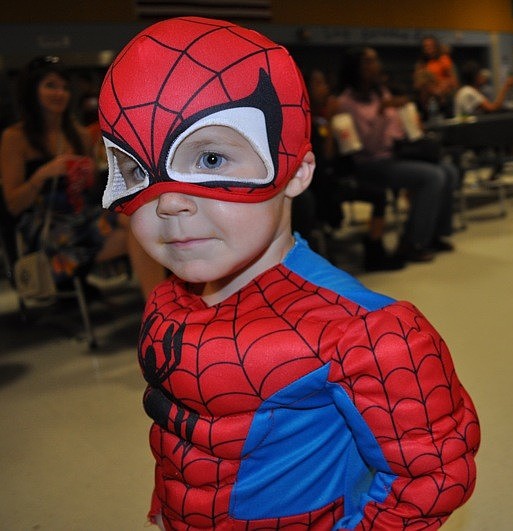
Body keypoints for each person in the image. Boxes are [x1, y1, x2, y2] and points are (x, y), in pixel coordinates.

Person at [97, 17, 479, 530]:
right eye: (138, 171)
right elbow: (182, 448)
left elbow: (433, 479)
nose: (169, 204)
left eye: (210, 158)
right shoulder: (168, 303)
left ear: (297, 171)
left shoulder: (368, 334)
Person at [0, 55, 163, 298]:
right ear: (32, 91)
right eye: (51, 86)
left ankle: (155, 303)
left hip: (84, 218)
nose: (60, 93)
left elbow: (96, 193)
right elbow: (12, 205)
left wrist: (89, 176)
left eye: (65, 87)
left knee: (142, 221)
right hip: (46, 227)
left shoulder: (78, 134)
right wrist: (42, 175)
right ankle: (156, 304)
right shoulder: (15, 137)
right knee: (138, 229)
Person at [337, 46, 459, 262]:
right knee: (432, 177)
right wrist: (382, 112)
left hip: (395, 156)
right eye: (369, 61)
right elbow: (366, 146)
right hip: (370, 164)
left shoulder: (380, 93)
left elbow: (395, 129)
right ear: (356, 67)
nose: (376, 65)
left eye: (376, 60)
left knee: (448, 170)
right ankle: (411, 243)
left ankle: (433, 236)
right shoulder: (346, 103)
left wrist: (409, 124)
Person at [303, 68, 405, 272]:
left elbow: (349, 148)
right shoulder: (306, 119)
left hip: (339, 176)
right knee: (375, 194)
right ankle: (366, 252)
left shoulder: (328, 115)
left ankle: (374, 249)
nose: (325, 89)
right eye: (319, 84)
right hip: (318, 183)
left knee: (377, 194)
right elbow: (325, 157)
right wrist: (332, 122)